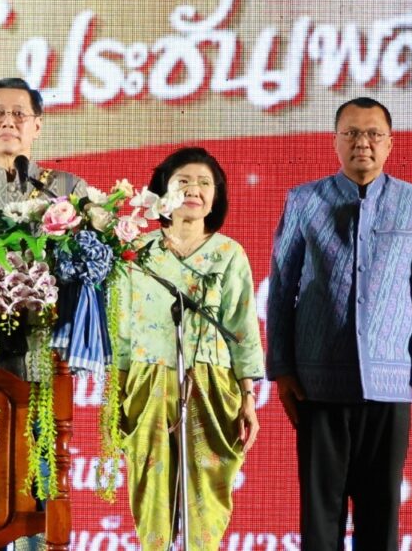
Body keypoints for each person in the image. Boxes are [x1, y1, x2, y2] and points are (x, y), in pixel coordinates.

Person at [266, 97, 412, 550]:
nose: (362, 142)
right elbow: (282, 286)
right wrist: (281, 368)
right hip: (317, 382)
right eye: (351, 133)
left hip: (388, 382)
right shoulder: (304, 200)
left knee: (381, 516)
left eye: (373, 134)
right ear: (335, 141)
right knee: (320, 517)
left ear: (389, 143)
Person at [0, 77, 87, 551]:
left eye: (19, 114)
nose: (8, 122)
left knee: (39, 483)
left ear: (37, 126)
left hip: (40, 359)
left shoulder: (66, 191)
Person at [115, 146, 263, 550]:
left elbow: (242, 329)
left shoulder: (229, 255)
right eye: (182, 182)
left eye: (203, 183)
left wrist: (249, 397)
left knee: (206, 502)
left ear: (215, 197)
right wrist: (116, 393)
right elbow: (122, 330)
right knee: (152, 496)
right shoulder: (136, 252)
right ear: (162, 194)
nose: (193, 190)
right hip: (148, 382)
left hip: (211, 385)